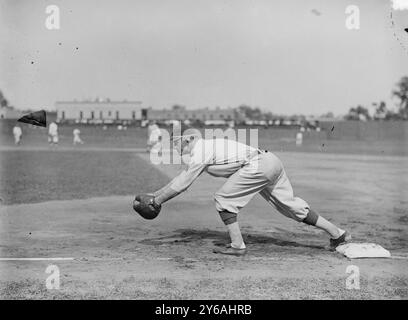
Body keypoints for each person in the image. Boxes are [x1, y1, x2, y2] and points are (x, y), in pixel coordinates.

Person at [139, 125, 351, 256]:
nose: (178, 148)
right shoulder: (205, 148)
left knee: (223, 199)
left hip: (258, 165)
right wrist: (155, 195)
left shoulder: (200, 149)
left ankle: (237, 245)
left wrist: (157, 202)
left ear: (190, 139)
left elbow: (183, 183)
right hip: (270, 161)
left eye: (179, 144)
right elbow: (181, 178)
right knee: (291, 206)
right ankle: (337, 234)